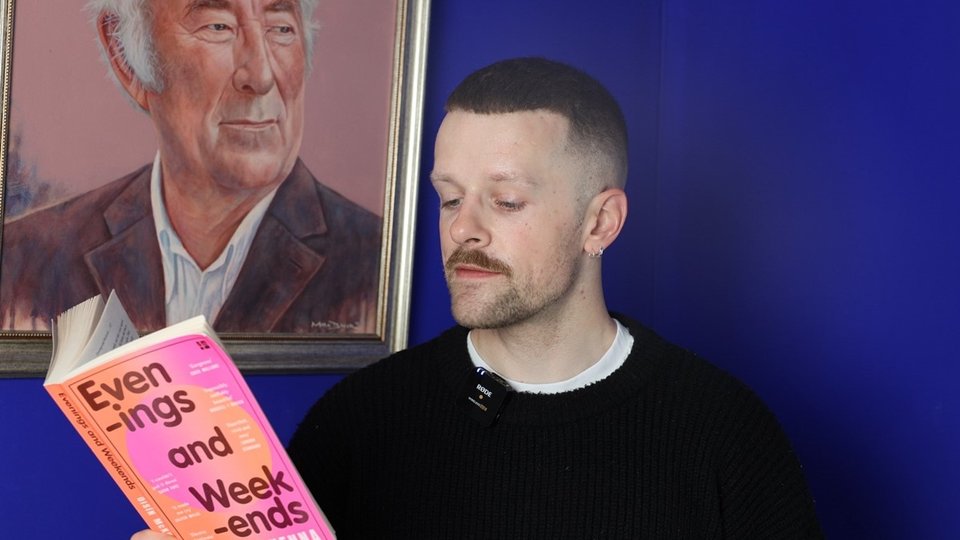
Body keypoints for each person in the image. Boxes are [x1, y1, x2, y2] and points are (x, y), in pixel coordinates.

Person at [133, 57, 823, 539]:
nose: (463, 229)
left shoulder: (724, 435)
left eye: (507, 200)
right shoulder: (358, 425)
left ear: (601, 223)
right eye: (450, 198)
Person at [0, 0, 380, 334]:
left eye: (281, 29)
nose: (261, 75)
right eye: (218, 27)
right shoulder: (23, 262)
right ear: (125, 57)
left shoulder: (376, 265)